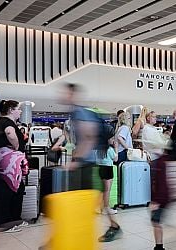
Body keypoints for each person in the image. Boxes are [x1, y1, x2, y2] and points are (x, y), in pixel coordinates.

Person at [60, 83, 122, 241]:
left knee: (83, 200)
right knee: (87, 199)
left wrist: (77, 160)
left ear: (72, 95)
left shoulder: (81, 113)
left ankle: (76, 234)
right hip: (86, 162)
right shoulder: (75, 114)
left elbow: (89, 137)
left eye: (65, 92)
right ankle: (112, 226)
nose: (62, 95)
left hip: (86, 165)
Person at [0, 100, 28, 233]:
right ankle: (5, 223)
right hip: (8, 164)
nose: (20, 111)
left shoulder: (2, 122)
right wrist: (17, 146)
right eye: (18, 109)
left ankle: (14, 219)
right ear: (11, 110)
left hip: (8, 163)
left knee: (17, 189)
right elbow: (10, 133)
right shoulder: (6, 122)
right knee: (7, 190)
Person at [142, 111, 170, 250]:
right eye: (153, 116)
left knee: (156, 220)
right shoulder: (148, 129)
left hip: (161, 197)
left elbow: (160, 184)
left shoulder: (159, 162)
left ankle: (159, 247)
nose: (155, 118)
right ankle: (159, 246)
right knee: (156, 221)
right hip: (161, 196)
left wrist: (156, 201)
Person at [96, 135, 121, 242]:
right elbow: (115, 158)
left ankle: (102, 206)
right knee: (107, 190)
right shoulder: (109, 149)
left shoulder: (98, 149)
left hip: (101, 168)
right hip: (108, 169)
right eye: (111, 138)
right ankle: (106, 207)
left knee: (103, 189)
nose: (112, 140)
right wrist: (116, 147)